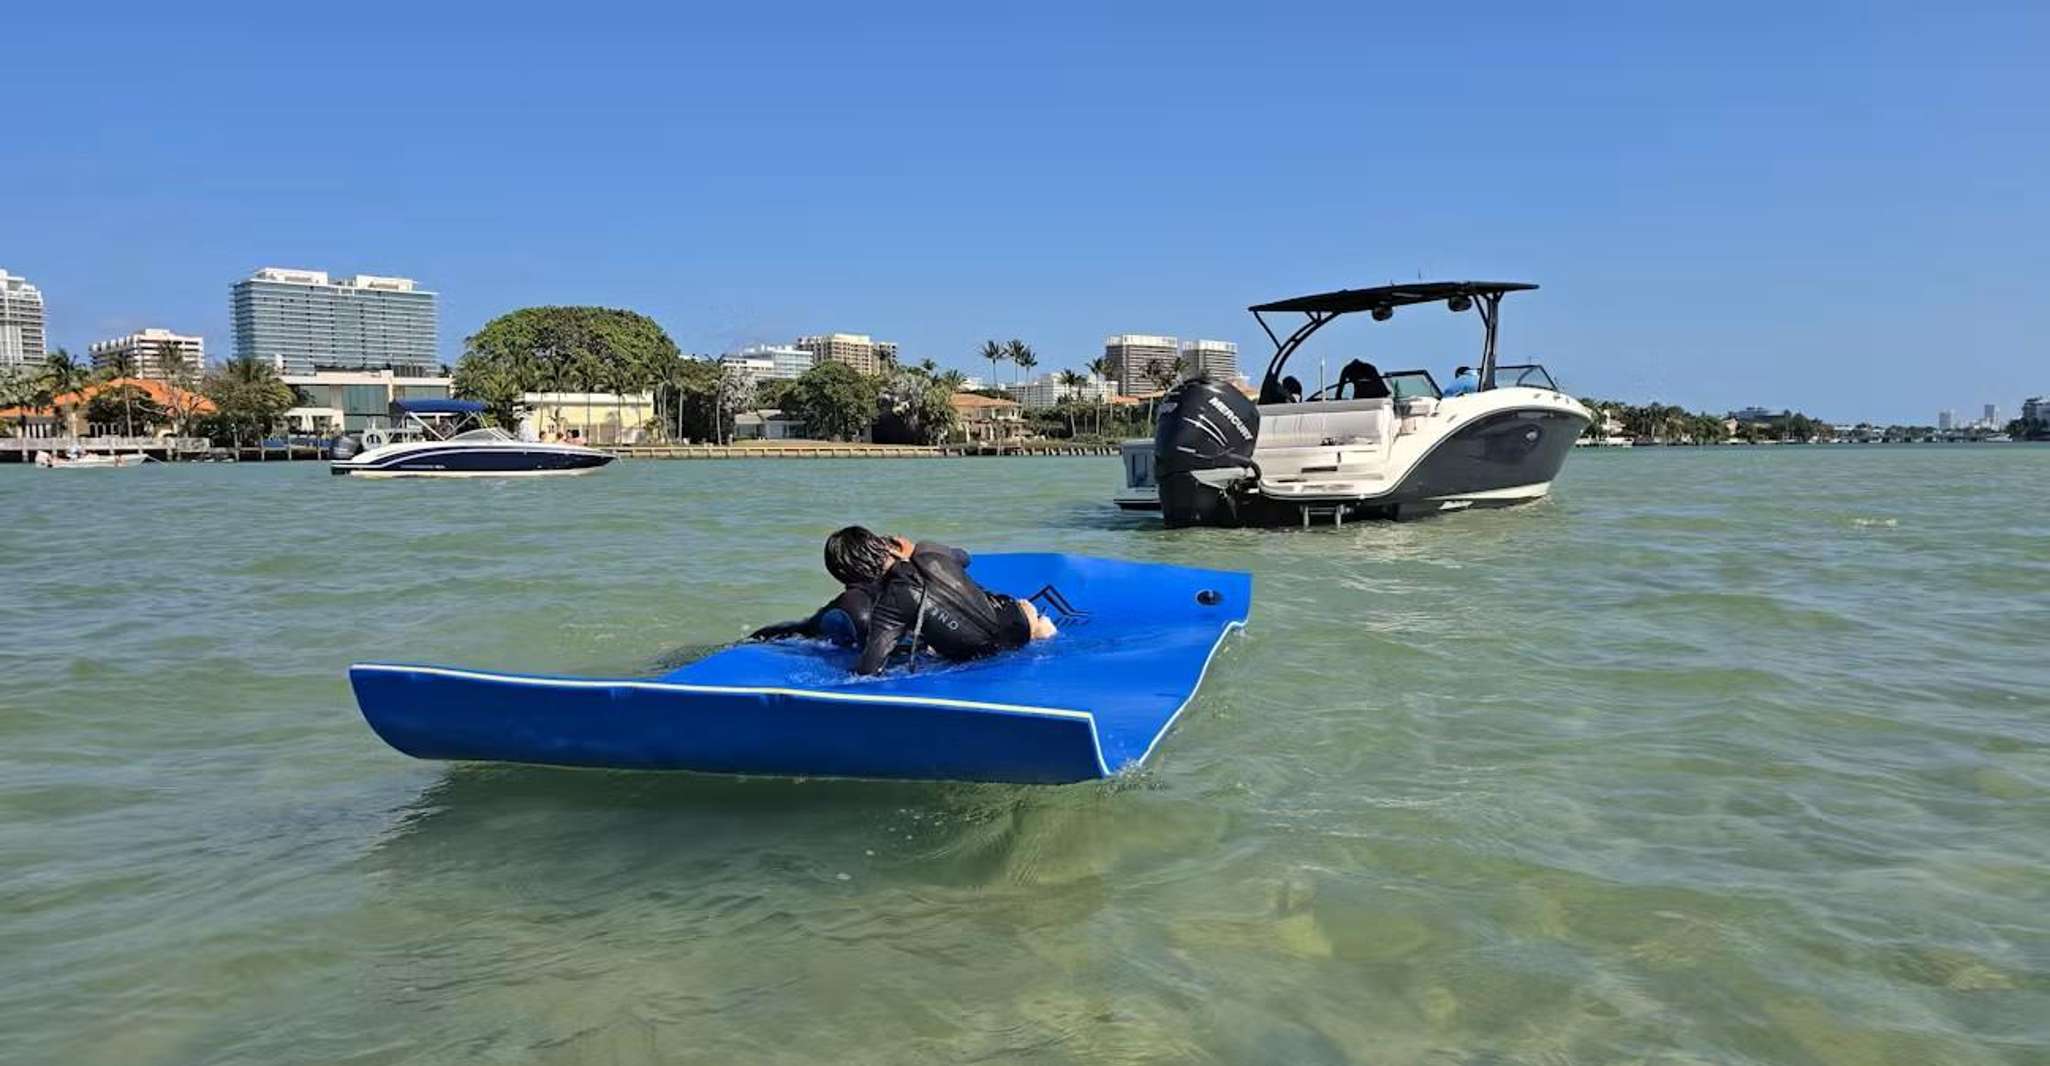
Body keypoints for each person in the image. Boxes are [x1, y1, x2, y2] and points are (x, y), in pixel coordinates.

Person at [822, 526, 1056, 675]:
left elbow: (870, 670)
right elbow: (964, 557)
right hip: (1018, 621)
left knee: (933, 646)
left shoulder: (889, 607)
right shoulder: (928, 551)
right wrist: (914, 554)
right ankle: (1039, 628)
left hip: (977, 658)